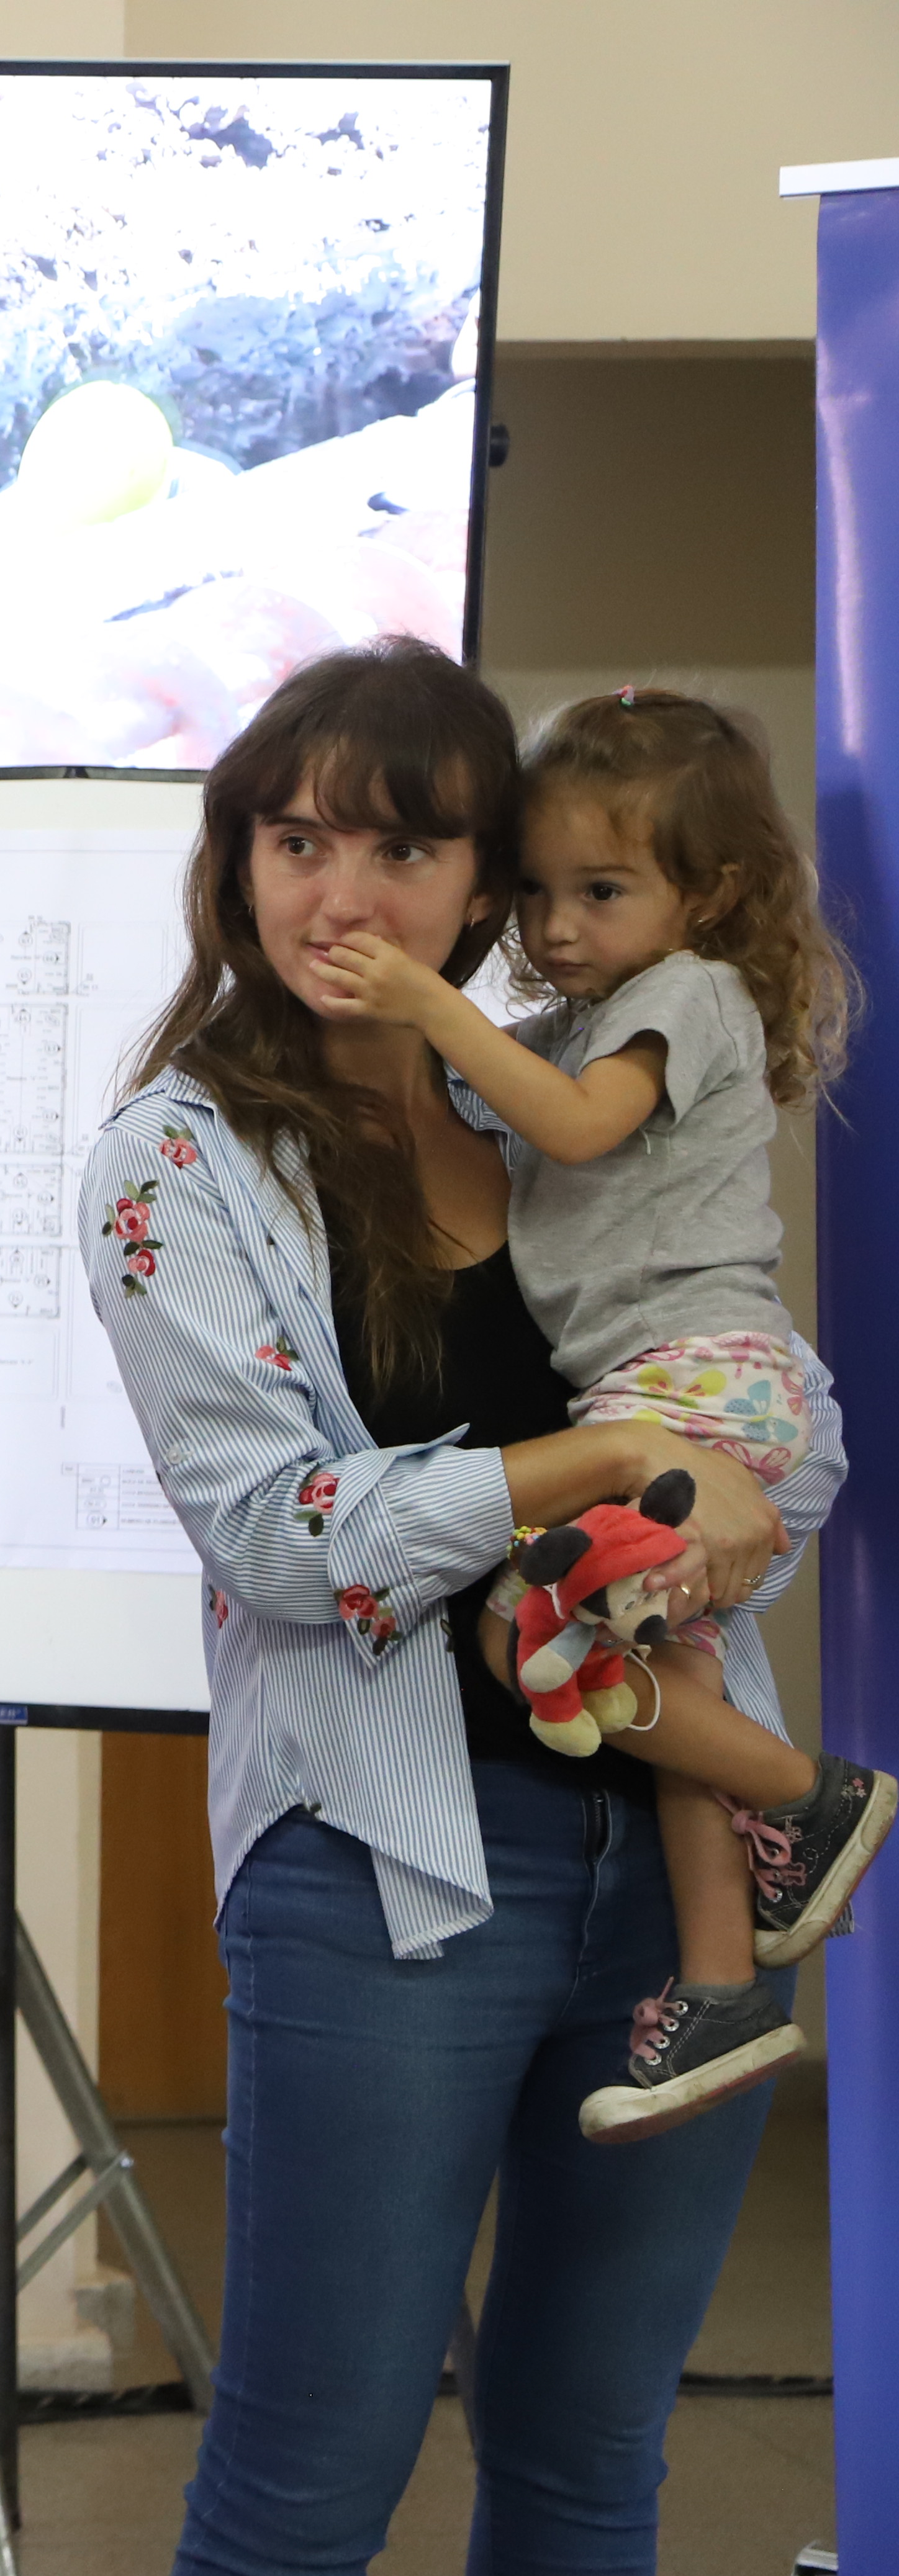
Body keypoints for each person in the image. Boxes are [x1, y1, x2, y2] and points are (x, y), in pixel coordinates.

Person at [81, 642, 843, 2576]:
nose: (343, 896)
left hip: (674, 1865)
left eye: (406, 851)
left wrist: (716, 1495)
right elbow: (280, 1538)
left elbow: (741, 1417)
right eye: (298, 840)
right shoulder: (180, 1160)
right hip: (388, 1875)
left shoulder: (542, 1112)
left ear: (486, 884)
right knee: (306, 2488)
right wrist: (595, 1469)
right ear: (237, 862)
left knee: (591, 2461)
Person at [306, 681, 884, 2142]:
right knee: (655, 1678)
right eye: (539, 892)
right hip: (662, 1385)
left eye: (603, 891)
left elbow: (570, 1131)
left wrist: (430, 1000)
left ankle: (812, 1797)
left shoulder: (686, 994)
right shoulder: (586, 1014)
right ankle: (722, 1988)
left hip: (699, 1382)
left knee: (532, 1627)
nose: (556, 927)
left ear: (713, 893)